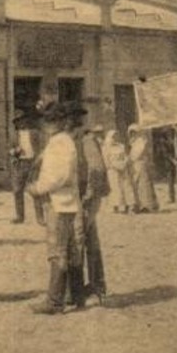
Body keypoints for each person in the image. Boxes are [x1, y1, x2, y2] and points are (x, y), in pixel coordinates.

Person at [26, 103, 86, 314]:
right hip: (67, 202)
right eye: (46, 120)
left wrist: (37, 188)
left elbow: (58, 176)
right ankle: (76, 295)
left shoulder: (59, 143)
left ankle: (54, 301)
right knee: (71, 250)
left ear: (59, 122)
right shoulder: (63, 141)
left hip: (58, 203)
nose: (46, 124)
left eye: (50, 120)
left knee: (57, 252)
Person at [78, 121, 110, 305]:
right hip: (83, 198)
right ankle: (96, 287)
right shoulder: (81, 140)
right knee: (90, 240)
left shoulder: (86, 140)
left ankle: (94, 286)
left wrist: (89, 195)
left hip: (86, 199)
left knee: (83, 240)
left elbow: (96, 168)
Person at [8, 109, 45, 225]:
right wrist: (14, 151)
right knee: (17, 191)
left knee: (36, 190)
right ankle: (20, 216)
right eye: (18, 121)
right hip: (19, 164)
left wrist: (39, 161)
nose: (21, 123)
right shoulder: (13, 135)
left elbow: (42, 147)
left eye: (22, 120)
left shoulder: (35, 132)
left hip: (33, 163)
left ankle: (40, 218)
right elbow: (8, 149)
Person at [102, 128, 136, 214]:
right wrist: (114, 166)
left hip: (123, 168)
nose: (114, 138)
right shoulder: (106, 147)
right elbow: (106, 160)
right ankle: (116, 206)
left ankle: (129, 206)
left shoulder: (121, 146)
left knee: (126, 186)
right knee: (115, 188)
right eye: (113, 136)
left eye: (116, 136)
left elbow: (126, 156)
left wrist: (124, 163)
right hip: (113, 170)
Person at [128, 124, 159, 212]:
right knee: (136, 185)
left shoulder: (141, 141)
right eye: (131, 133)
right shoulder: (133, 142)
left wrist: (130, 159)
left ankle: (147, 205)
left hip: (141, 164)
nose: (133, 134)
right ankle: (139, 204)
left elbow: (137, 154)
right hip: (135, 166)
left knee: (144, 184)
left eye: (135, 132)